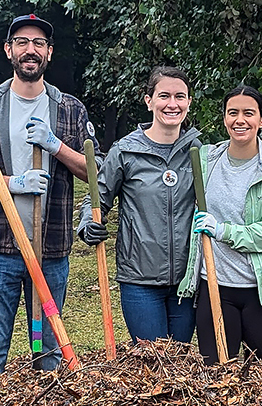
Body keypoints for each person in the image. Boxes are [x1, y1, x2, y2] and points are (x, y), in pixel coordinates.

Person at [0, 14, 99, 377]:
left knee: (48, 349)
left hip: (50, 249)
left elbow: (94, 173)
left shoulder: (69, 109)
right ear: (8, 50)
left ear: (48, 52)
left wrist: (56, 145)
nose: (29, 50)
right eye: (21, 42)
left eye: (38, 43)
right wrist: (12, 183)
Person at [76, 66, 201, 342]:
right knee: (150, 360)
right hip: (139, 279)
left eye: (180, 97)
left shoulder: (199, 152)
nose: (172, 104)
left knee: (179, 364)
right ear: (149, 101)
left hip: (187, 281)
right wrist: (88, 224)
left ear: (189, 102)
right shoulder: (125, 151)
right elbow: (97, 198)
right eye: (164, 96)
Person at [177, 85, 262, 363]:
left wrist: (222, 231)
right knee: (216, 372)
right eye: (233, 113)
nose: (239, 120)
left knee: (261, 378)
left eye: (248, 113)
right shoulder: (206, 159)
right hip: (215, 285)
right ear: (224, 117)